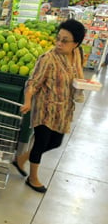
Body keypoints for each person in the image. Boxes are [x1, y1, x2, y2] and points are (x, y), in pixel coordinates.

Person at [12, 19, 85, 193]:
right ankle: (33, 178)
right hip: (45, 108)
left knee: (55, 142)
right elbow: (33, 82)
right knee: (41, 142)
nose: (59, 43)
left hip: (63, 109)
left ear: (76, 43)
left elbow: (78, 73)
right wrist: (28, 100)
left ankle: (21, 160)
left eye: (65, 40)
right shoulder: (48, 58)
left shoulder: (77, 54)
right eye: (58, 38)